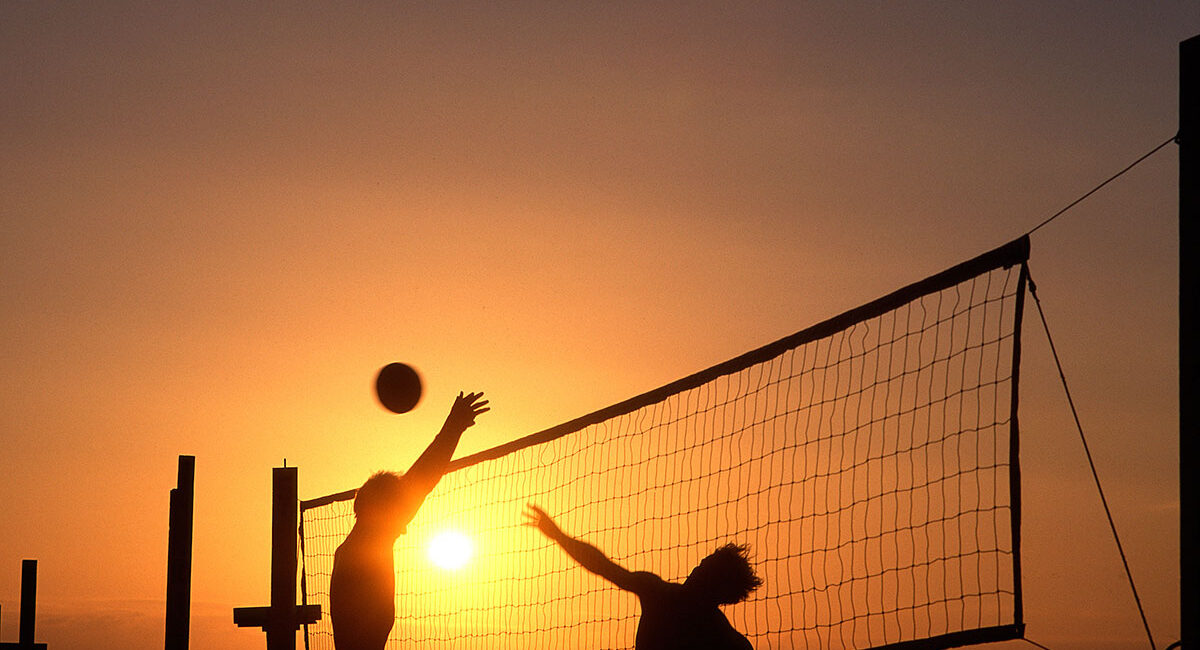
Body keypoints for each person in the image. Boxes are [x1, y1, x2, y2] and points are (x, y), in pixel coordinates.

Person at [330, 391, 489, 650]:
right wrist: (453, 428)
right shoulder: (364, 552)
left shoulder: (359, 547)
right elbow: (422, 479)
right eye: (398, 511)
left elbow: (418, 483)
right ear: (379, 511)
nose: (404, 525)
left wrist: (453, 427)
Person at [523, 504, 761, 650]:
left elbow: (604, 567)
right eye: (701, 564)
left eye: (705, 569)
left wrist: (559, 535)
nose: (697, 570)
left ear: (718, 588)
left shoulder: (663, 596)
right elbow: (603, 566)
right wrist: (559, 536)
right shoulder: (659, 593)